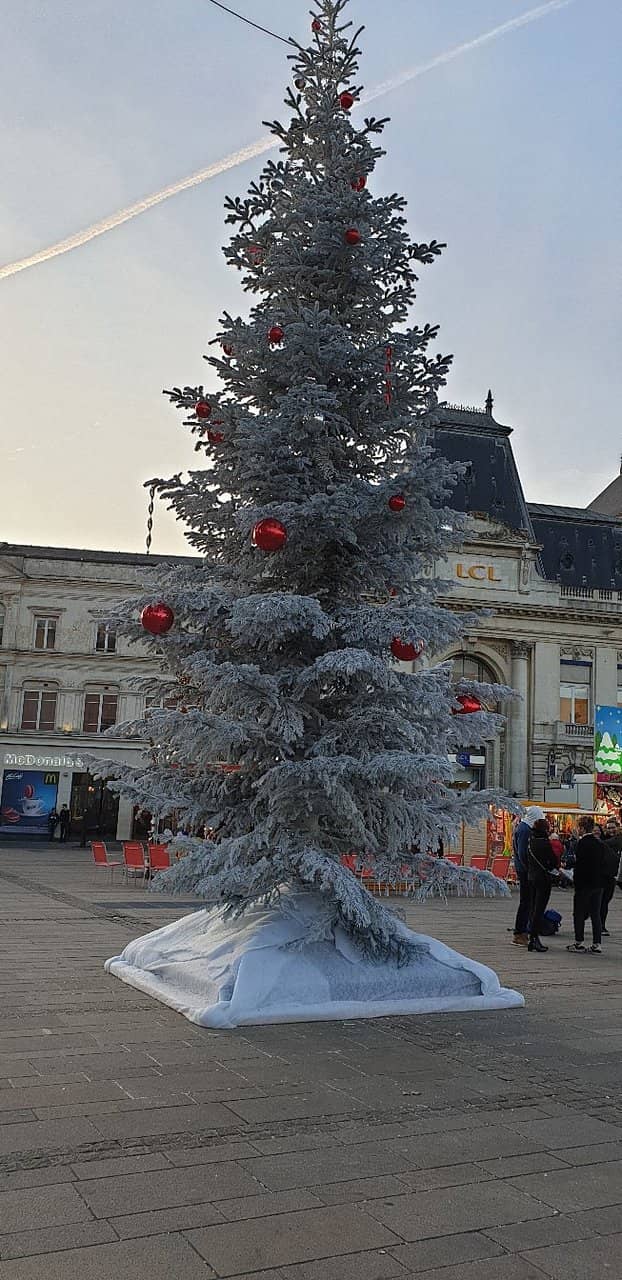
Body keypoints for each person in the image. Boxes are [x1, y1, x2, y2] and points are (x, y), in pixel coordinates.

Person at [567, 815, 605, 954]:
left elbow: (580, 864)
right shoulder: (599, 843)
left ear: (582, 828)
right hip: (598, 883)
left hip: (584, 884)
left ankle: (579, 942)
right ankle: (597, 944)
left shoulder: (582, 843)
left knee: (579, 912)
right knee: (596, 914)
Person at [511, 806, 544, 945]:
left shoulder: (523, 827)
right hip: (526, 871)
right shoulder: (524, 830)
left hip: (524, 870)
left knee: (528, 901)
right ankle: (520, 932)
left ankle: (524, 930)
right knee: (527, 901)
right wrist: (530, 869)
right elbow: (523, 853)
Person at [526, 818, 558, 953]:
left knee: (533, 907)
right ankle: (534, 939)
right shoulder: (544, 843)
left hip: (532, 877)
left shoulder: (530, 842)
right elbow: (552, 861)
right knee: (539, 908)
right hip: (543, 879)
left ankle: (531, 937)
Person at [601, 818, 622, 935]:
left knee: (605, 900)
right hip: (602, 875)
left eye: (613, 827)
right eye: (609, 828)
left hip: (612, 876)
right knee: (602, 901)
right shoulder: (603, 839)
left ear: (618, 827)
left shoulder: (618, 840)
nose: (611, 830)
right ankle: (601, 926)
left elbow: (613, 842)